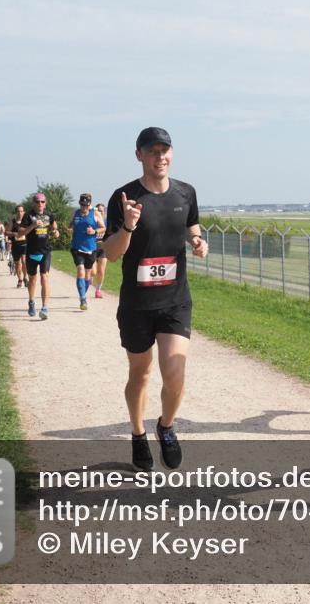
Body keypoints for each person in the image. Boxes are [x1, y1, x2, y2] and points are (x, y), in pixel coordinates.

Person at [103, 127, 208, 471]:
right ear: (139, 155)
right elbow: (113, 253)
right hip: (137, 306)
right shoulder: (125, 197)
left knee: (175, 371)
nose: (160, 157)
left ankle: (165, 426)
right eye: (152, 151)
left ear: (171, 154)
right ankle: (137, 433)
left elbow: (192, 225)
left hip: (175, 300)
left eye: (165, 151)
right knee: (141, 374)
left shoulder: (186, 192)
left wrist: (197, 241)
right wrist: (129, 226)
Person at [16, 193, 59, 320]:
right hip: (32, 252)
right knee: (33, 280)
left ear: (45, 203)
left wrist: (56, 231)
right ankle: (31, 301)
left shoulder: (49, 215)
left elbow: (54, 226)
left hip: (45, 251)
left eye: (42, 201)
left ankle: (45, 307)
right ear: (33, 203)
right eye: (37, 201)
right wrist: (33, 225)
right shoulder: (28, 216)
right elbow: (20, 234)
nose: (40, 204)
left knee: (44, 277)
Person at [68, 193, 105, 311]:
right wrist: (69, 230)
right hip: (76, 247)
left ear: (89, 204)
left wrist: (94, 231)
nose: (84, 207)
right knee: (80, 270)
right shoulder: (75, 213)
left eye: (86, 205)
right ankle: (83, 298)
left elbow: (103, 228)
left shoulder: (96, 214)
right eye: (82, 205)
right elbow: (70, 225)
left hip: (91, 248)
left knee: (88, 275)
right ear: (79, 203)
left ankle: (83, 294)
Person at [9, 206, 29, 288]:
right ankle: (20, 279)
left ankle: (25, 277)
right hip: (15, 245)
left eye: (21, 211)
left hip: (25, 244)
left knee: (24, 261)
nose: (20, 213)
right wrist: (13, 234)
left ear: (24, 212)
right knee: (17, 264)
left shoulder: (27, 221)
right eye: (18, 211)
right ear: (16, 212)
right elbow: (6, 232)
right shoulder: (13, 222)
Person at [92, 203, 108, 299]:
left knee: (101, 271)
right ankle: (90, 278)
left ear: (104, 212)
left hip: (103, 248)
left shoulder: (107, 222)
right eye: (99, 210)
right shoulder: (92, 222)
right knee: (93, 272)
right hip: (92, 248)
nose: (100, 212)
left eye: (102, 210)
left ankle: (98, 290)